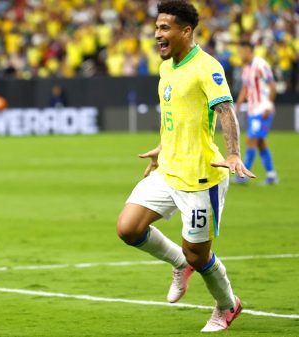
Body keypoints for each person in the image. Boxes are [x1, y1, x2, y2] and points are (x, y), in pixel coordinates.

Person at [116, 1, 254, 332]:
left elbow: (225, 109)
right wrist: (162, 149)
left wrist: (234, 153)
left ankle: (226, 305)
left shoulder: (207, 67)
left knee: (198, 254)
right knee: (129, 228)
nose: (157, 34)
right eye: (157, 27)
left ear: (185, 31)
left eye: (164, 28)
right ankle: (179, 264)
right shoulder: (166, 68)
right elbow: (174, 117)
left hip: (202, 178)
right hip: (169, 170)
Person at [234, 40, 278, 185]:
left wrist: (268, 105)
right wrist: (237, 106)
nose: (240, 54)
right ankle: (271, 175)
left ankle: (243, 175)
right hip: (253, 109)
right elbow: (245, 88)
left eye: (241, 51)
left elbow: (272, 85)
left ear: (248, 50)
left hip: (262, 108)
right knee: (260, 143)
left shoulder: (260, 64)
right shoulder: (246, 68)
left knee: (251, 140)